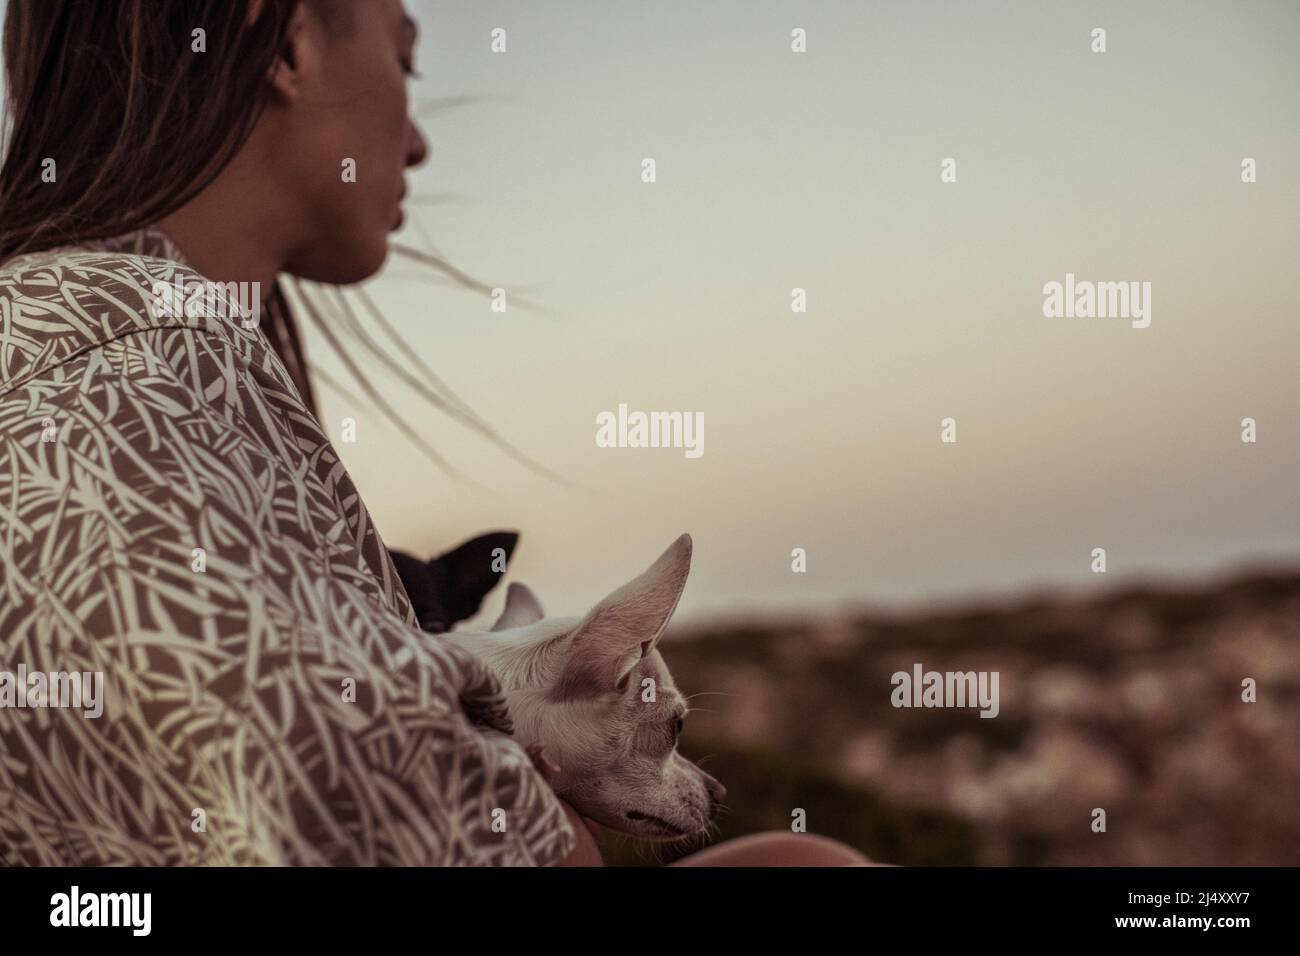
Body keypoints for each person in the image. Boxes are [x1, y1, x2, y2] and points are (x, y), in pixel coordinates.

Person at [0, 0, 871, 867]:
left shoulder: (106, 348)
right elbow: (352, 809)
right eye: (407, 60)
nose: (417, 143)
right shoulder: (133, 370)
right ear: (290, 41)